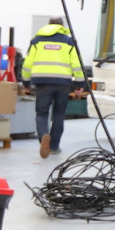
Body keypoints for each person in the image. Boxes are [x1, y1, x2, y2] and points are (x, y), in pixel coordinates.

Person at [22, 17, 85, 158]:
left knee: (42, 113)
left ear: (48, 26)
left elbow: (28, 63)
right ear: (62, 26)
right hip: (63, 83)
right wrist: (80, 84)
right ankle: (54, 146)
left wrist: (25, 81)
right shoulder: (69, 42)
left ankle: (44, 136)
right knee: (59, 114)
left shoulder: (37, 40)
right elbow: (76, 64)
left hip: (42, 82)